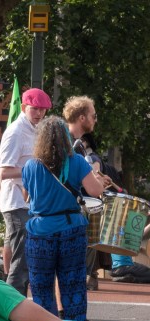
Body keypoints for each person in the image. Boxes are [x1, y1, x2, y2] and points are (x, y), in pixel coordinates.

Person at [21, 116, 106, 321]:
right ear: (66, 138)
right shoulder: (77, 162)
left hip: (40, 231)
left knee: (41, 286)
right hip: (71, 228)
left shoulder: (31, 165)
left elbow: (26, 196)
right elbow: (95, 191)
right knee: (73, 283)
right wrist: (98, 178)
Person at [0, 88, 50, 296]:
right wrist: (36, 169)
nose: (39, 113)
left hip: (29, 202)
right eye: (34, 109)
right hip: (16, 202)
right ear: (23, 107)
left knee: (23, 258)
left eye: (43, 110)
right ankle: (13, 308)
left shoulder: (35, 128)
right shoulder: (15, 132)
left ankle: (16, 307)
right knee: (22, 260)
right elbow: (4, 171)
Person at [64, 95, 113, 298]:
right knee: (69, 271)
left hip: (69, 212)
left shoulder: (75, 144)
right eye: (93, 115)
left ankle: (75, 316)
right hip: (63, 213)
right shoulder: (67, 143)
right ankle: (68, 318)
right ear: (82, 118)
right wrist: (96, 183)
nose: (95, 119)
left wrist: (97, 180)